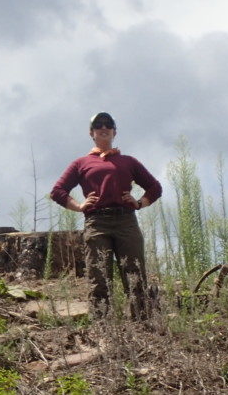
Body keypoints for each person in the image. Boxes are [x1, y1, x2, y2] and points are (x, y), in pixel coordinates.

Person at [50, 112, 161, 319]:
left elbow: (155, 187)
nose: (103, 127)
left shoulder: (128, 162)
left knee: (134, 275)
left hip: (126, 221)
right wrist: (79, 206)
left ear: (114, 132)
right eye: (98, 124)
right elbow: (58, 191)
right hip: (97, 223)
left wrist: (139, 203)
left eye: (108, 124)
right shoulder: (81, 163)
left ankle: (143, 326)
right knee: (98, 277)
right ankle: (103, 329)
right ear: (91, 133)